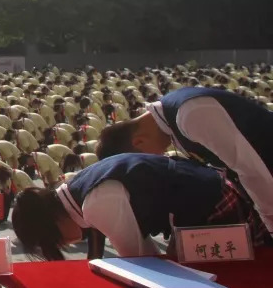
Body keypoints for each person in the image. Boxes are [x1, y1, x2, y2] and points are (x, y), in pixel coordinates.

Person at [12, 153, 268, 260]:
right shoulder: (79, 184)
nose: (64, 246)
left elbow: (141, 261)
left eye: (53, 243)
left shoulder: (95, 204)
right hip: (209, 193)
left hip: (213, 205)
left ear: (51, 226)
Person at [97, 86, 273, 234]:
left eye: (143, 161)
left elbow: (251, 171)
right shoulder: (173, 123)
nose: (156, 161)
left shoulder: (189, 115)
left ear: (139, 142)